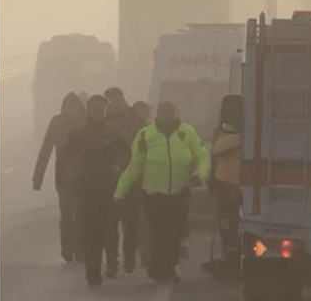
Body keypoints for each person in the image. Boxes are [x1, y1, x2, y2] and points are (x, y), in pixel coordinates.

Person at [114, 101, 210, 283]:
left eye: (170, 111)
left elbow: (202, 156)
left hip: (180, 192)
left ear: (176, 113)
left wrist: (200, 175)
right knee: (158, 232)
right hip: (153, 195)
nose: (167, 115)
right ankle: (158, 267)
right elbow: (134, 166)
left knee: (174, 232)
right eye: (163, 111)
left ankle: (169, 267)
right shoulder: (145, 135)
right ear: (157, 113)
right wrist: (120, 192)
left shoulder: (187, 132)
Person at [63, 95, 126, 286]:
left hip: (108, 189)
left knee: (108, 228)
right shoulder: (78, 133)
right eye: (94, 109)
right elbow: (65, 159)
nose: (98, 113)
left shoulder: (113, 131)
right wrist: (68, 181)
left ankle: (110, 262)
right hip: (85, 191)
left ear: (106, 111)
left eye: (102, 110)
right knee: (89, 232)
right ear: (88, 110)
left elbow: (126, 153)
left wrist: (118, 165)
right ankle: (93, 270)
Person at [33, 93, 86, 263]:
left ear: (80, 108)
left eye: (74, 106)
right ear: (63, 108)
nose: (71, 110)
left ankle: (80, 248)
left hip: (85, 178)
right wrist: (38, 176)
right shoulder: (56, 122)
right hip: (63, 178)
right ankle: (67, 248)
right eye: (68, 107)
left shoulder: (86, 121)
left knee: (81, 214)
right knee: (66, 215)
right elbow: (46, 149)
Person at [103, 88, 143, 275]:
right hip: (109, 182)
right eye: (110, 100)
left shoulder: (136, 120)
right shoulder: (102, 121)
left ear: (122, 98)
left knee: (131, 224)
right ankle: (112, 261)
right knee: (110, 225)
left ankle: (129, 255)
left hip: (132, 180)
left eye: (115, 99)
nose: (113, 102)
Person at [205, 94, 244, 277]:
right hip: (225, 181)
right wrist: (211, 179)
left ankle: (239, 252)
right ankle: (228, 253)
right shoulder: (220, 130)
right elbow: (216, 151)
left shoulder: (252, 127)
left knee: (240, 221)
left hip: (244, 182)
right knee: (226, 221)